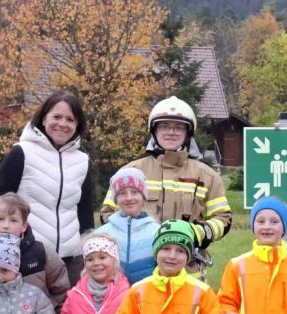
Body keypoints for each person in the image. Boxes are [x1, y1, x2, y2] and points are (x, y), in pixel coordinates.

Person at [99, 96, 232, 276]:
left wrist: (194, 233)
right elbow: (107, 213)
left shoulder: (206, 176)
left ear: (188, 133)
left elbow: (223, 219)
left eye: (178, 127)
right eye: (164, 126)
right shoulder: (130, 171)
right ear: (154, 131)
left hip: (187, 273)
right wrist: (136, 234)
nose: (171, 132)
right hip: (138, 274)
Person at [0, 90, 94, 287]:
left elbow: (85, 210)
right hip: (28, 254)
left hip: (71, 259)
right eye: (56, 117)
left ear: (77, 125)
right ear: (43, 118)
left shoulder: (83, 161)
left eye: (70, 119)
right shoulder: (21, 153)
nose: (63, 124)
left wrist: (89, 249)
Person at [98, 167, 160, 284]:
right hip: (114, 299)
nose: (129, 198)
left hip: (146, 297)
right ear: (116, 199)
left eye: (135, 192)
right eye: (122, 193)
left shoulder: (157, 232)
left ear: (143, 197)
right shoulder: (102, 234)